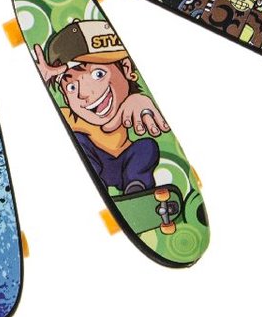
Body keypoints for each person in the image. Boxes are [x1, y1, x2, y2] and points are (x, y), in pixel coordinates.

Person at [33, 20, 168, 194]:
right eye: (71, 87)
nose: (84, 94)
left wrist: (139, 99)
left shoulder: (135, 107)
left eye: (98, 74)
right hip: (97, 161)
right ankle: (99, 185)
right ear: (65, 97)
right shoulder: (69, 115)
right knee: (80, 141)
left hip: (125, 161)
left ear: (127, 69)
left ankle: (136, 188)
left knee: (147, 147)